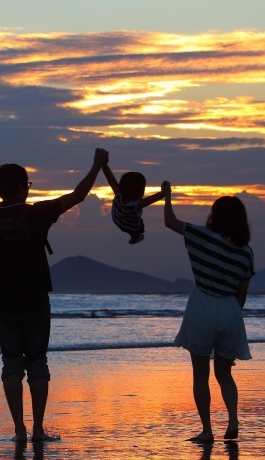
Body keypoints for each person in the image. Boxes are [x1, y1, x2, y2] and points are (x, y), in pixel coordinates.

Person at [0, 148, 109, 444]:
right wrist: (96, 165)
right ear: (19, 187)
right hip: (36, 299)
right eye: (27, 185)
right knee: (38, 362)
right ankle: (39, 429)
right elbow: (78, 195)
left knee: (11, 363)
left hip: (2, 300)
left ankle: (19, 430)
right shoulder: (38, 213)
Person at [163, 184, 254, 443]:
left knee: (200, 375)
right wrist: (232, 316)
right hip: (230, 310)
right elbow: (242, 293)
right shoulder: (246, 252)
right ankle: (233, 421)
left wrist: (167, 195)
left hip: (202, 305)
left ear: (215, 216)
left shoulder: (201, 236)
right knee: (225, 373)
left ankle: (207, 430)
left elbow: (170, 221)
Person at [101, 165, 167, 244]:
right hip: (132, 228)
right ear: (140, 193)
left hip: (117, 219)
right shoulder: (136, 205)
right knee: (140, 226)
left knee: (131, 217)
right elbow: (154, 198)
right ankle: (135, 237)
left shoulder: (118, 194)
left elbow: (110, 178)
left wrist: (104, 165)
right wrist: (164, 191)